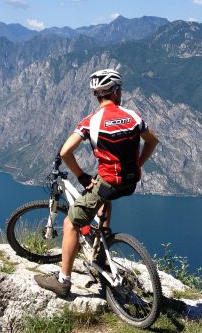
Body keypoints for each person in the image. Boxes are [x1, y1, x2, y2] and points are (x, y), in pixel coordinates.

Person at [34, 68, 159, 298]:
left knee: (71, 222)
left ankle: (63, 281)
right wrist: (138, 164)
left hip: (108, 183)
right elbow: (152, 141)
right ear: (116, 91)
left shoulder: (91, 122)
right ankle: (102, 244)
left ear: (97, 95)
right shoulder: (133, 116)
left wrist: (81, 176)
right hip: (131, 182)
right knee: (104, 194)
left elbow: (65, 152)